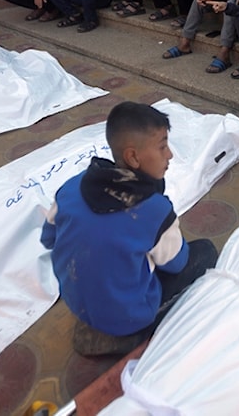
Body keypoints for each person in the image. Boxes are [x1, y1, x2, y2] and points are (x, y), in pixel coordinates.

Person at [40, 101, 218, 356]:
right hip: (127, 318)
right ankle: (139, 331)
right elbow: (177, 264)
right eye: (162, 146)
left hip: (76, 302)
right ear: (133, 157)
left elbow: (48, 238)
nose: (170, 155)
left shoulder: (71, 187)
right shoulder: (153, 210)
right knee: (204, 251)